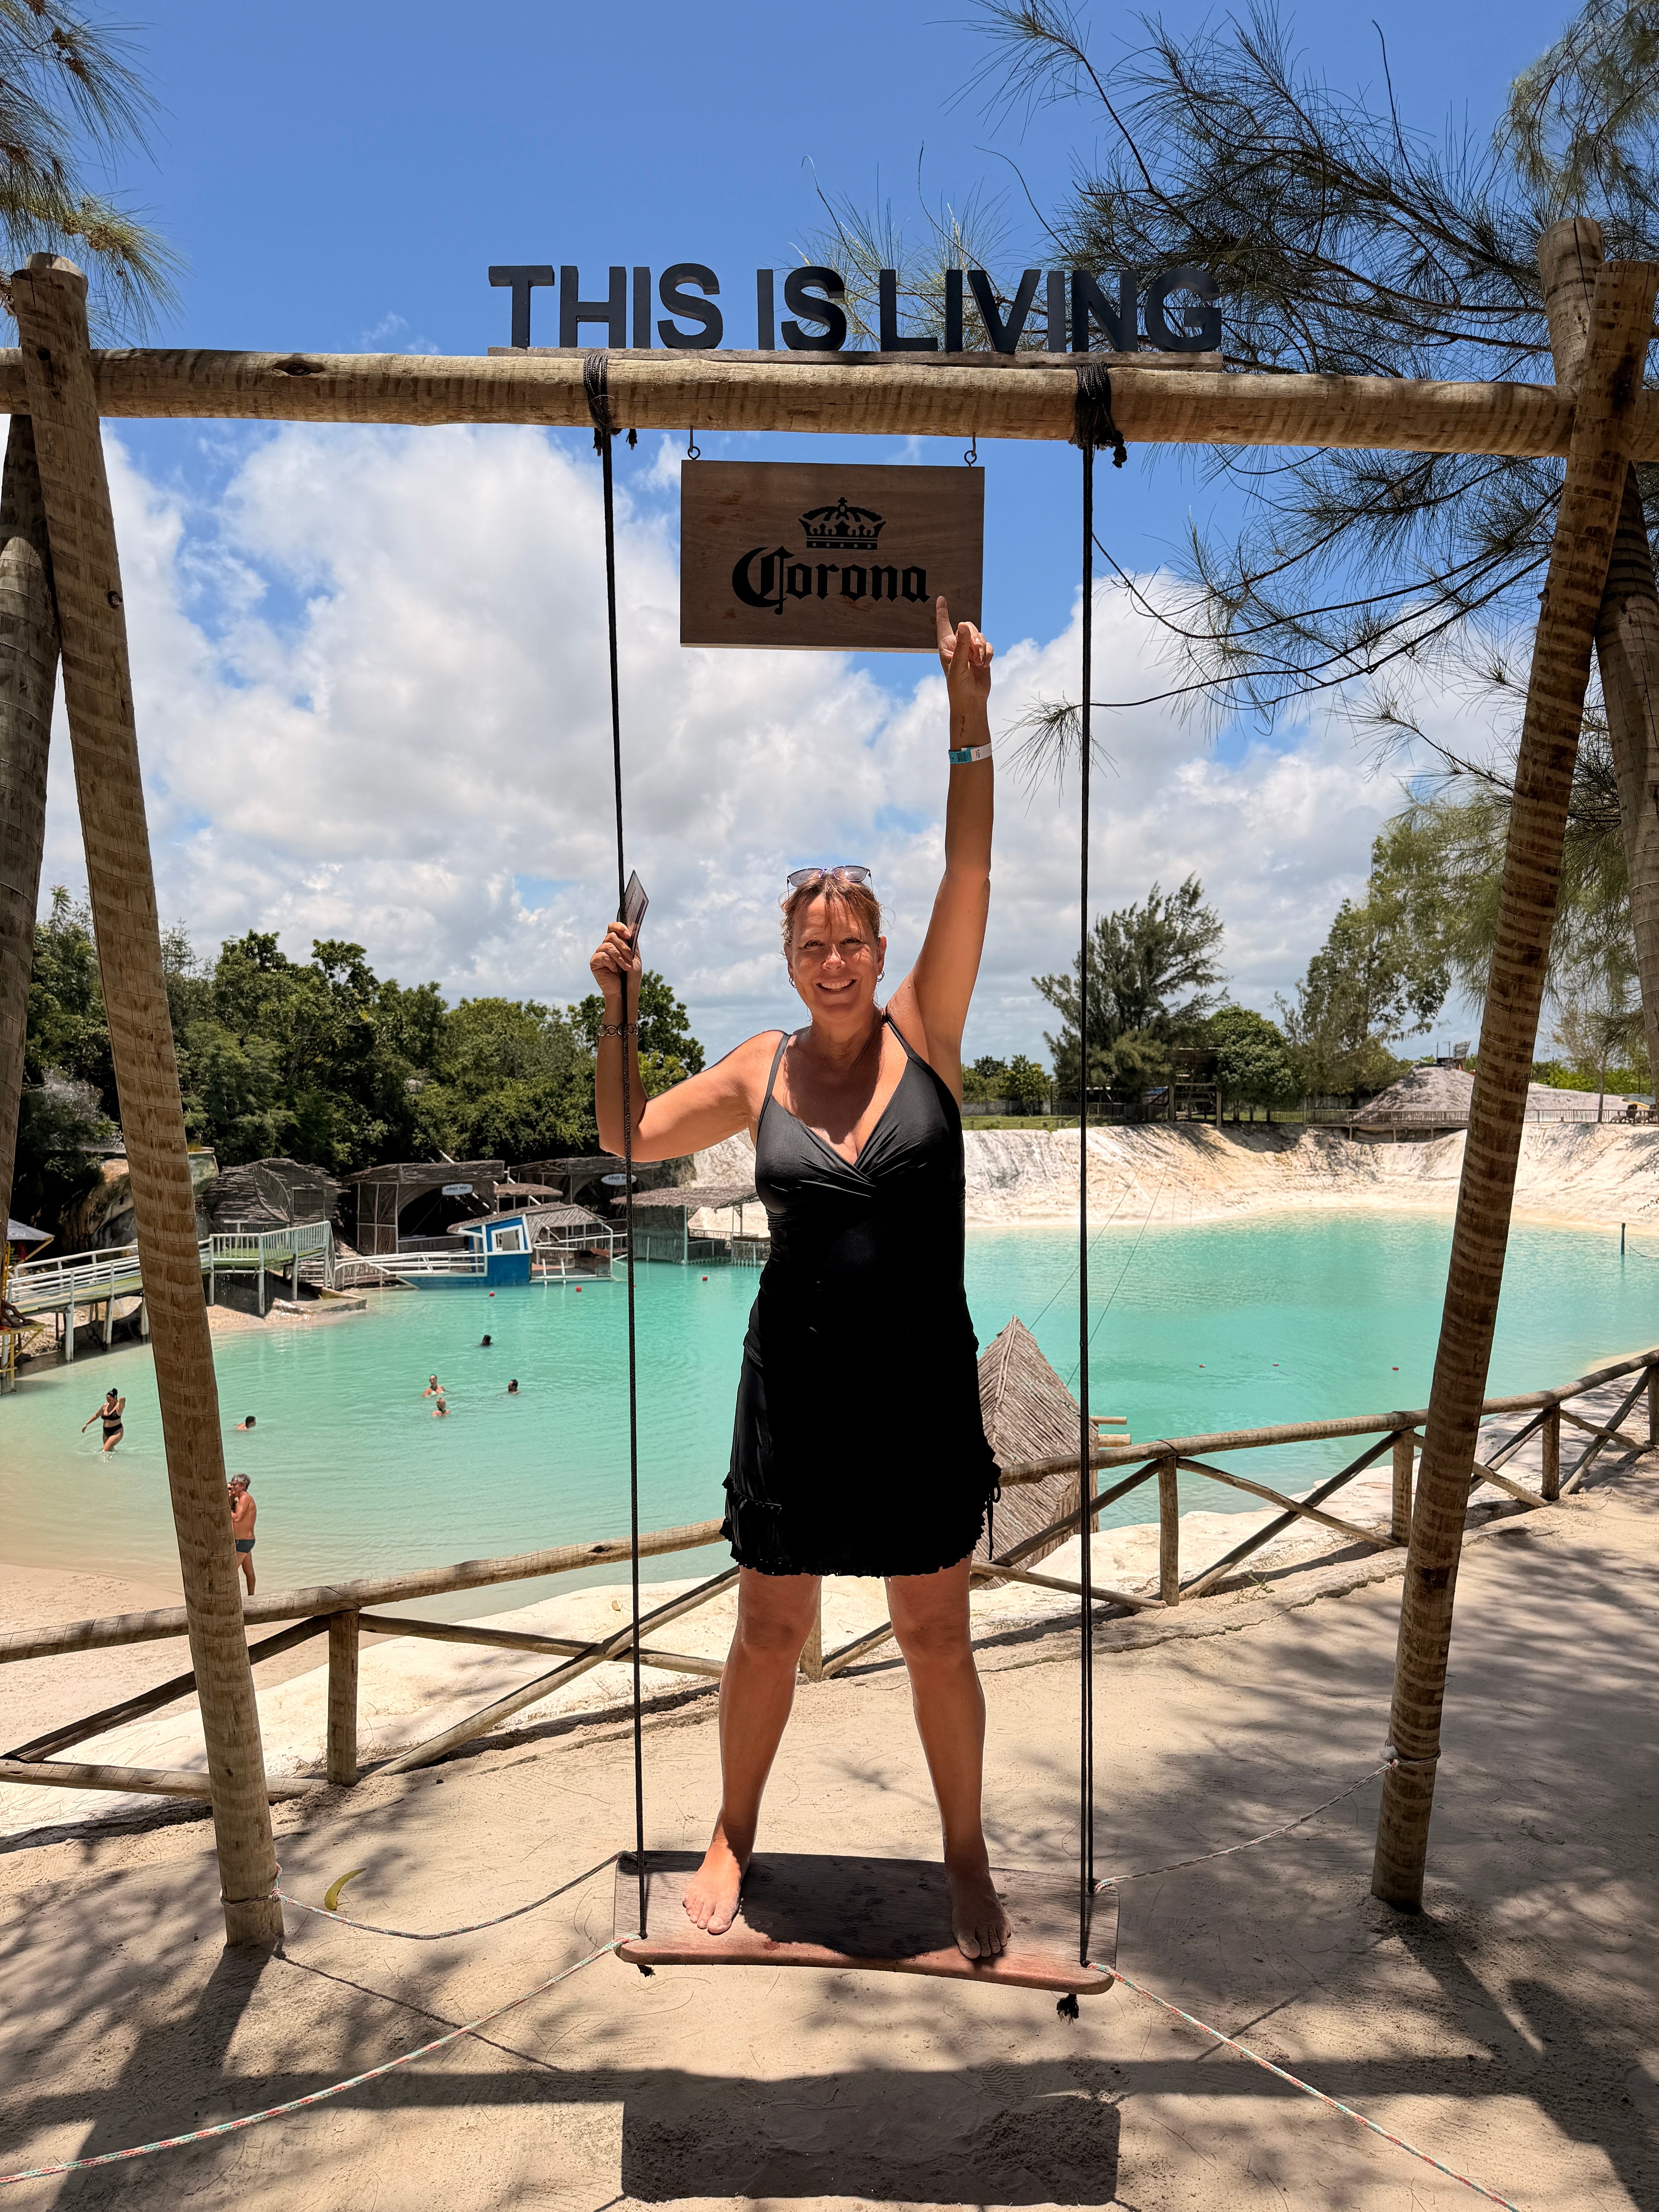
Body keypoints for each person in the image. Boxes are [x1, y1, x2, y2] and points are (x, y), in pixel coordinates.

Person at [588, 597, 1005, 1961]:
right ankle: (732, 1826)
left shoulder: (927, 1035)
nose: (834, 962)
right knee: (769, 1627)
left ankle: (963, 1849)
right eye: (813, 945)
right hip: (797, 1397)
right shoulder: (758, 1068)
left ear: (882, 953)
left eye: (853, 941)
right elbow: (624, 1134)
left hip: (920, 1392)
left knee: (936, 1635)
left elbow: (971, 864)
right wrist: (617, 1010)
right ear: (790, 960)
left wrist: (966, 719)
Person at [227, 1475, 257, 1594]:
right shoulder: (240, 1500)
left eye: (235, 1485)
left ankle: (233, 1597)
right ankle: (252, 1597)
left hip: (244, 1542)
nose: (233, 1487)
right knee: (249, 1571)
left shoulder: (245, 1498)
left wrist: (223, 1508)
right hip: (243, 1541)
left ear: (243, 1486)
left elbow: (238, 1518)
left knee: (230, 1572)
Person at [81, 1388, 125, 1454]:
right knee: (110, 1450)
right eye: (107, 1399)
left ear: (114, 1398)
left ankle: (100, 1460)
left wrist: (120, 1400)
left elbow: (123, 1400)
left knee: (104, 1450)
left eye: (109, 1399)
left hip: (117, 1431)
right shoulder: (105, 1406)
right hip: (106, 1432)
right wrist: (87, 1424)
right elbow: (96, 1415)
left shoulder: (119, 1408)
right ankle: (115, 1460)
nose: (108, 1401)